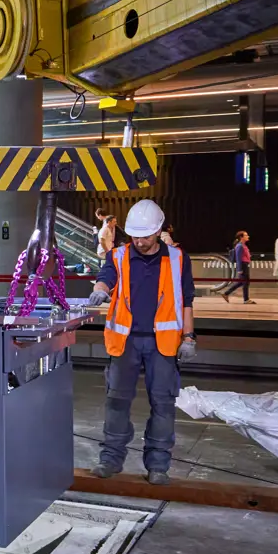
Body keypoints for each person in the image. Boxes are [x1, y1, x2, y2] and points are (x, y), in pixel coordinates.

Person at [86, 199, 195, 485]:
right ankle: (111, 459)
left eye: (145, 236)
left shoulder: (178, 259)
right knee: (116, 401)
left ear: (158, 231)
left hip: (163, 344)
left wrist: (189, 337)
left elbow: (186, 300)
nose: (139, 242)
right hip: (126, 342)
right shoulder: (119, 255)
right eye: (135, 236)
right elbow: (106, 277)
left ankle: (158, 465)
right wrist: (100, 289)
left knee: (163, 405)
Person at [218, 230, 254, 304]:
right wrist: (239, 269)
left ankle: (226, 293)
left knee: (242, 282)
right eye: (246, 235)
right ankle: (246, 299)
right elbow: (238, 258)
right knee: (245, 283)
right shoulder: (240, 246)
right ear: (241, 237)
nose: (248, 236)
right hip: (243, 265)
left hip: (245, 264)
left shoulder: (243, 245)